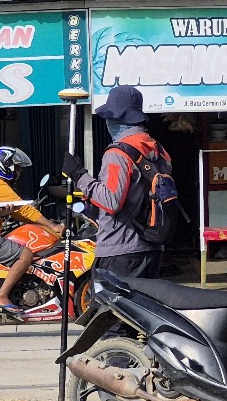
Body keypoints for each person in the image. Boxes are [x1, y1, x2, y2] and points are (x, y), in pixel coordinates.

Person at [66, 85, 173, 279]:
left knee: (111, 309)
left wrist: (79, 175)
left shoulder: (118, 153)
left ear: (118, 117)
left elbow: (111, 201)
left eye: (109, 117)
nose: (107, 122)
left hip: (120, 251)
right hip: (153, 248)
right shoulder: (159, 150)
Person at [0, 146, 62, 311]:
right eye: (16, 167)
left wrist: (49, 227)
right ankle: (1, 296)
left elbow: (20, 215)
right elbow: (24, 210)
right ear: (4, 166)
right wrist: (52, 225)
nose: (19, 171)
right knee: (25, 255)